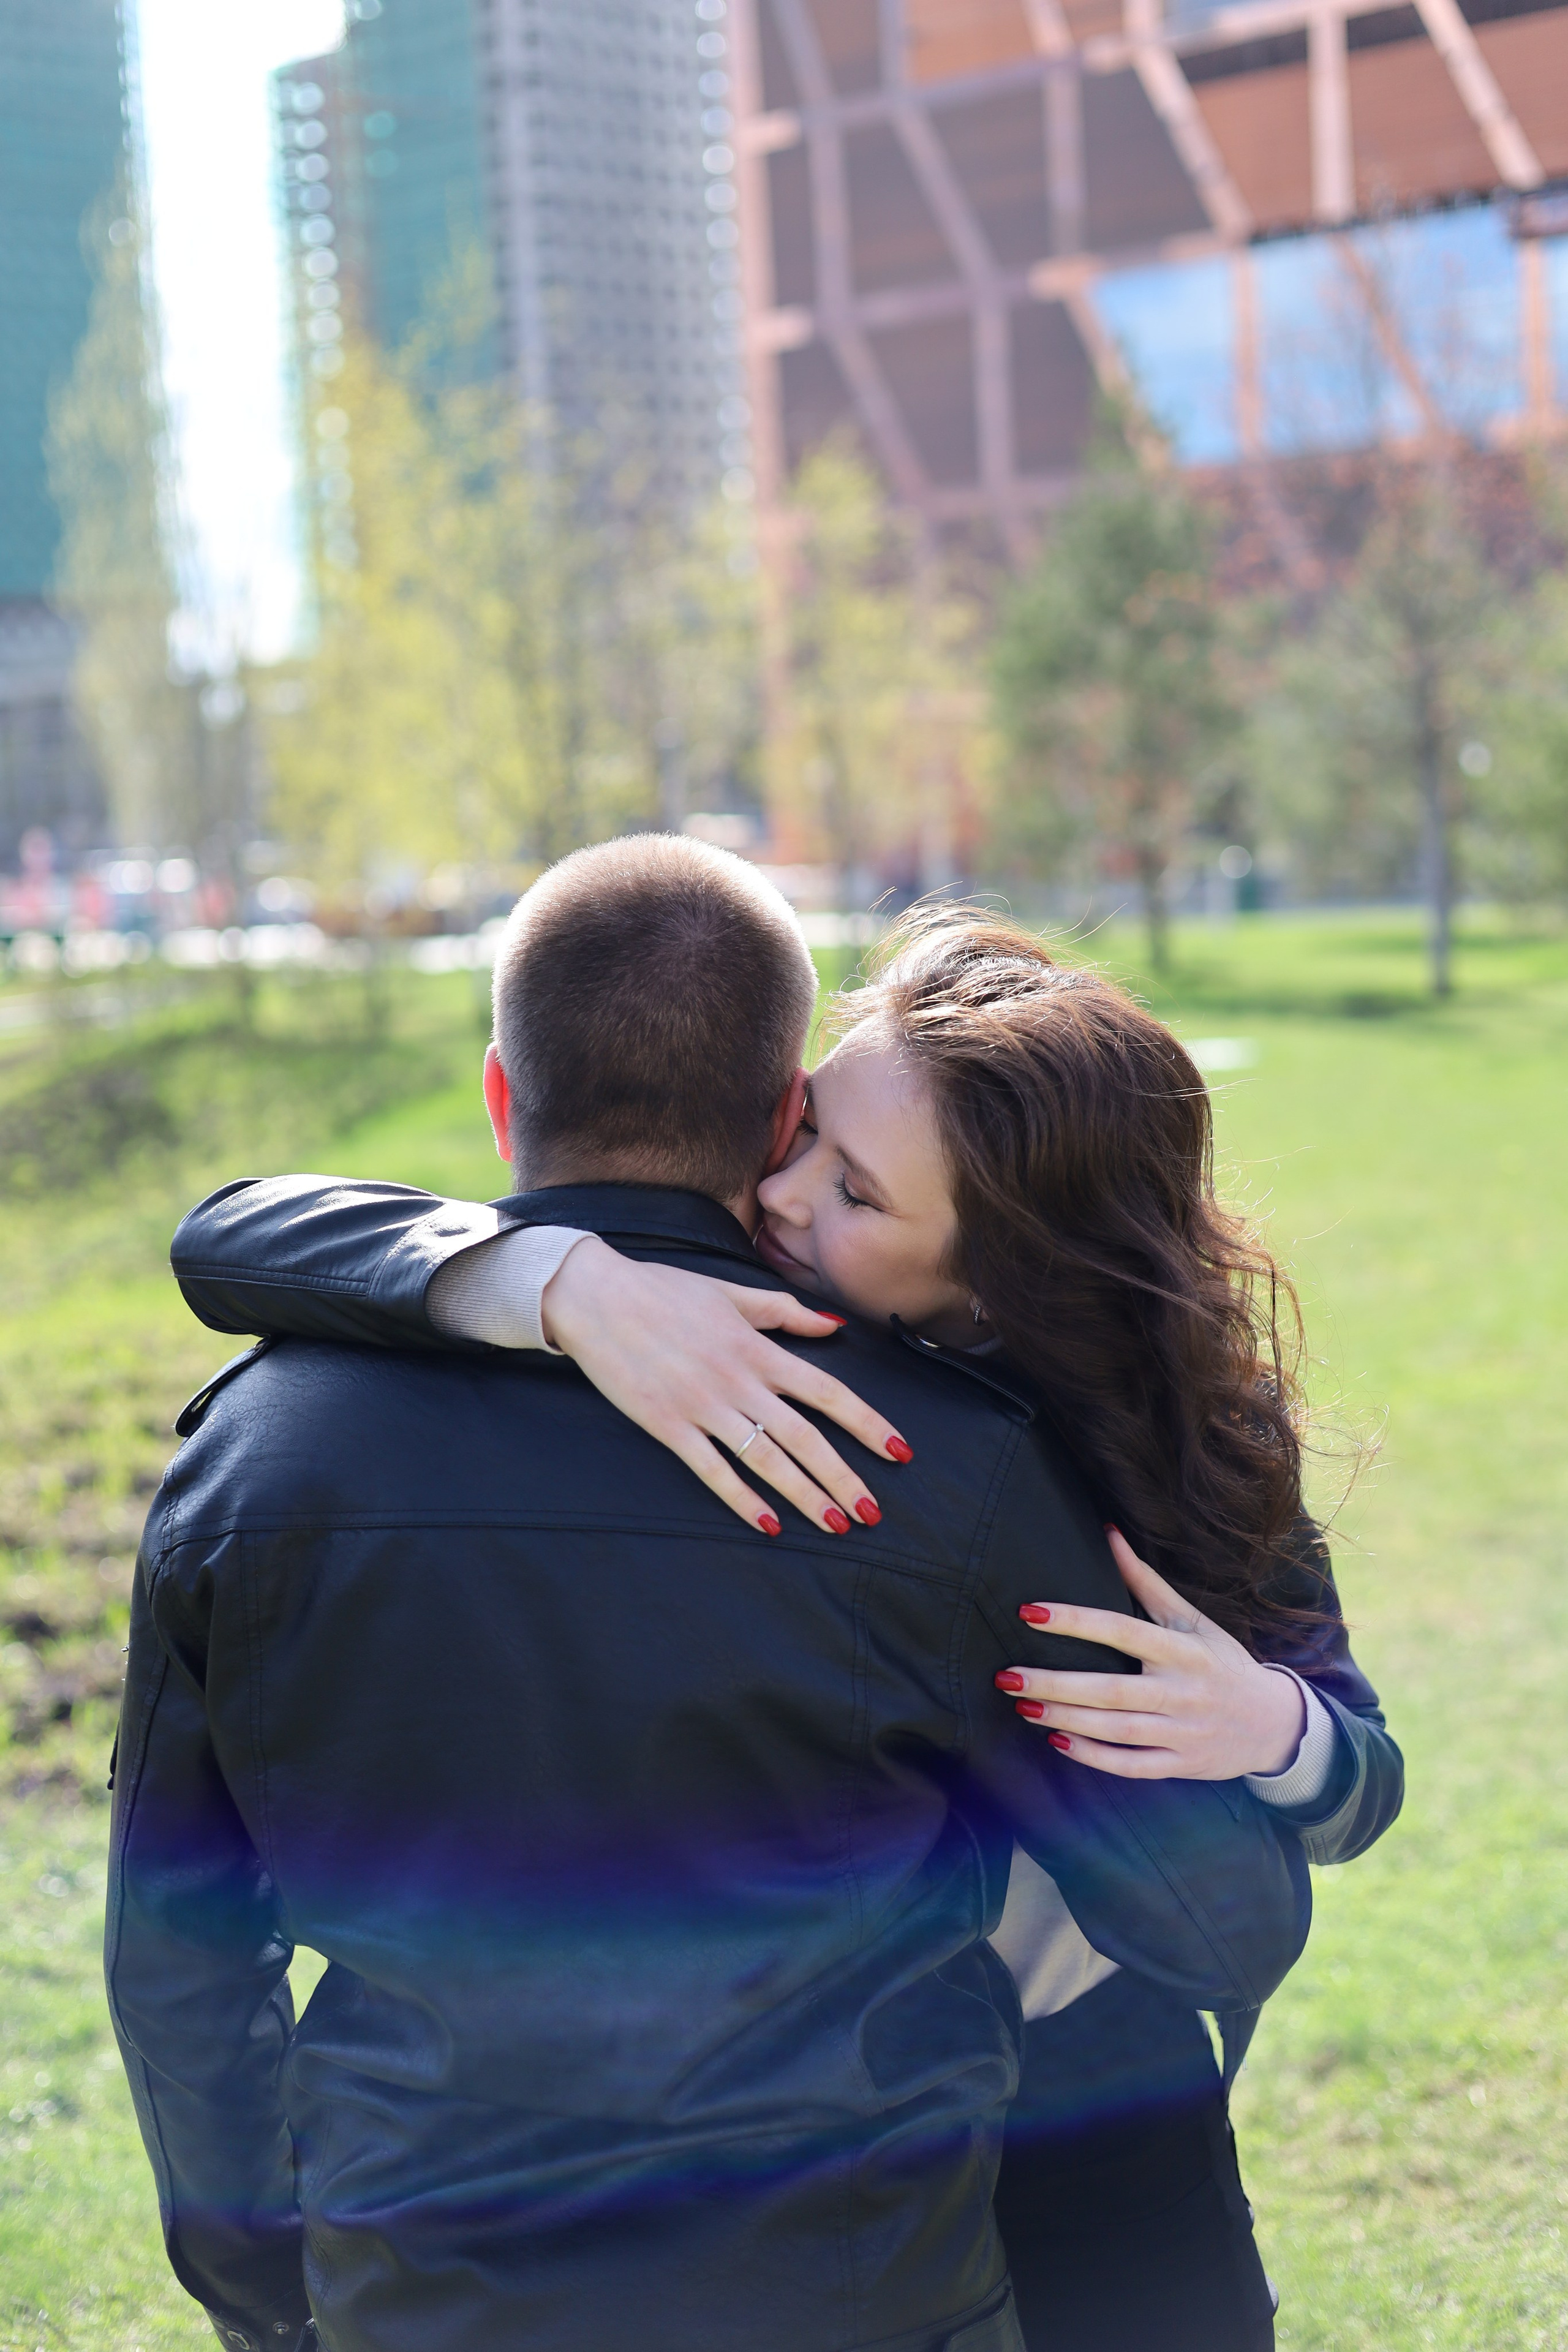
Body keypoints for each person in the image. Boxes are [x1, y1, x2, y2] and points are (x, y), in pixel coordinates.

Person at [112, 837, 1311, 2352]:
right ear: (780, 1123)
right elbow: (1222, 1929)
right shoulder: (944, 1467)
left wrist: (267, 2295)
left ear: (497, 1092)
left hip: (415, 2297)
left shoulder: (253, 1454)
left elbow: (177, 1960)